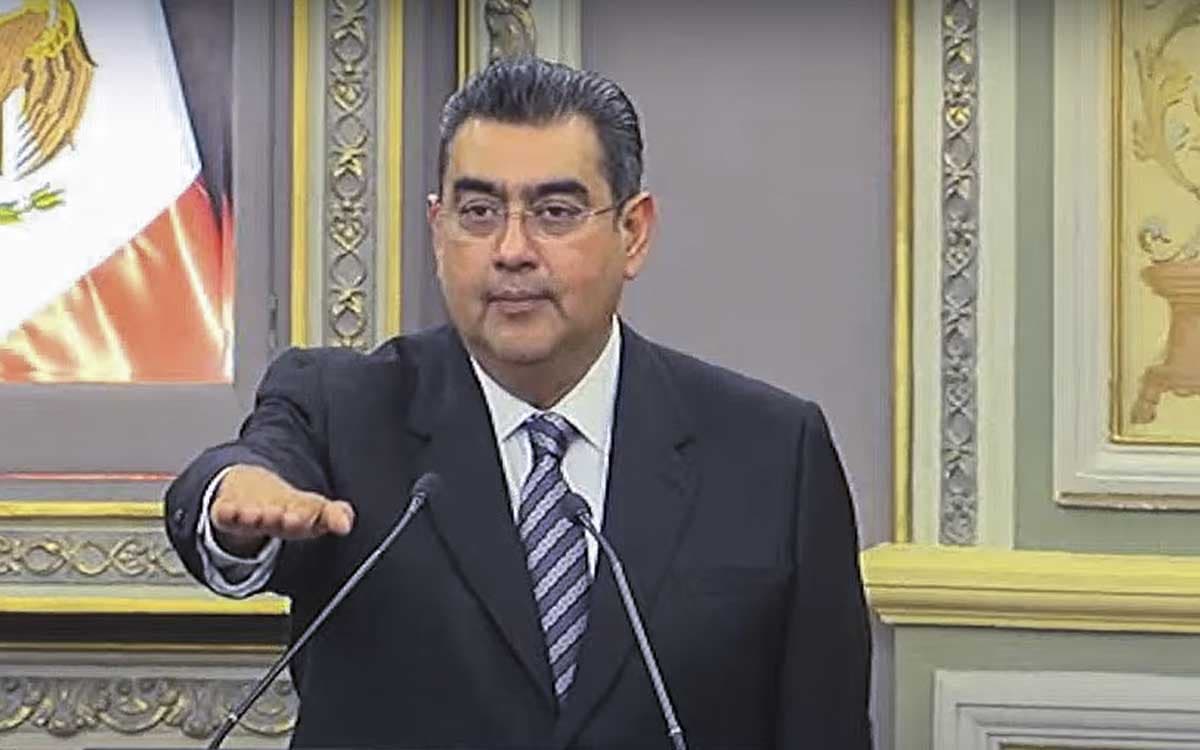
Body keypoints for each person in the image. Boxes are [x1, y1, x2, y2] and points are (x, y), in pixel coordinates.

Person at [165, 57, 872, 750]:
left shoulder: (774, 453)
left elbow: (824, 724)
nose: (511, 250)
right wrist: (236, 500)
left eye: (555, 213)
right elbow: (248, 471)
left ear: (633, 232)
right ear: (438, 231)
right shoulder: (343, 411)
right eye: (478, 212)